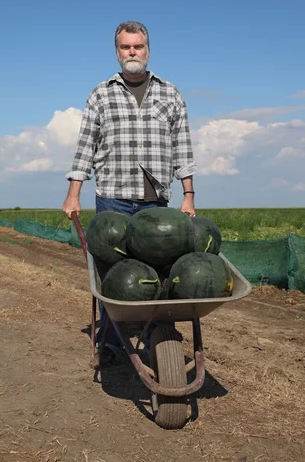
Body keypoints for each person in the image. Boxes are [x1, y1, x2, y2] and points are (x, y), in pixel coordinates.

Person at [63, 20, 196, 364]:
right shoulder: (100, 94)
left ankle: (156, 334)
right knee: (113, 274)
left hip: (157, 202)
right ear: (117, 52)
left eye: (138, 46)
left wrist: (189, 195)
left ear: (148, 50)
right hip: (113, 197)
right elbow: (85, 147)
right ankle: (109, 341)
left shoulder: (170, 94)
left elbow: (182, 147)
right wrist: (73, 192)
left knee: (159, 273)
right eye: (126, 47)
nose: (132, 52)